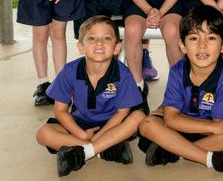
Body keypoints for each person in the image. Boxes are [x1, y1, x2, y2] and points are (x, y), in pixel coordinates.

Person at [138, 5, 223, 174]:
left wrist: (212, 127)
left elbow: (220, 124)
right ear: (182, 45)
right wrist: (212, 127)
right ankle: (208, 158)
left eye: (211, 38)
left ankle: (173, 151)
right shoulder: (178, 71)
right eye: (193, 38)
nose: (202, 45)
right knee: (147, 124)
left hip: (206, 136)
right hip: (181, 129)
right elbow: (170, 120)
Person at [35, 16, 144, 177]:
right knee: (43, 133)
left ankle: (84, 151)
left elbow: (122, 113)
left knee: (138, 117)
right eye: (92, 38)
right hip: (78, 125)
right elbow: (60, 111)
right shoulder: (69, 71)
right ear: (81, 47)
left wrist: (100, 135)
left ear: (116, 48)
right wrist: (81, 134)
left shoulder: (123, 74)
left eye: (107, 38)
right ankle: (104, 150)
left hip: (112, 125)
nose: (99, 43)